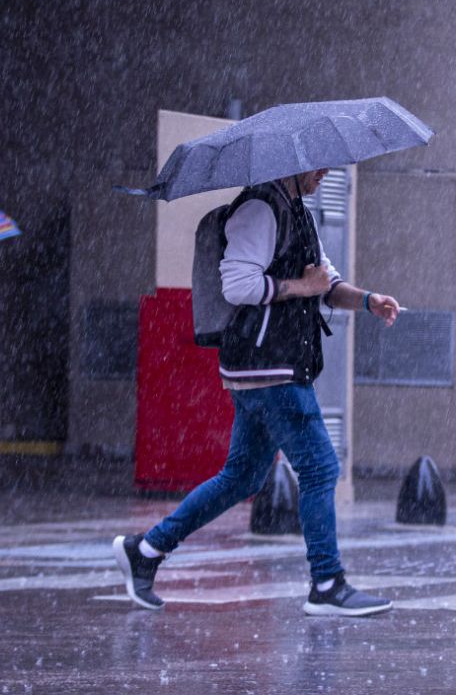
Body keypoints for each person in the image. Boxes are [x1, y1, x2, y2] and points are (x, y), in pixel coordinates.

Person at [114, 167, 400, 616]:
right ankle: (326, 582)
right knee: (321, 468)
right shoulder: (258, 209)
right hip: (269, 368)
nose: (324, 173)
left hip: (270, 368)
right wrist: (302, 286)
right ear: (294, 163)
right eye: (318, 165)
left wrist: (367, 300)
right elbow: (239, 285)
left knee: (242, 478)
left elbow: (326, 285)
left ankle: (146, 551)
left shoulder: (297, 212)